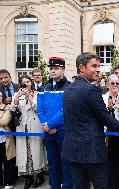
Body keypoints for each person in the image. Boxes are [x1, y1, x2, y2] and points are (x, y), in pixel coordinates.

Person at [62, 52, 119, 189]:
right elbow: (105, 117)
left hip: (72, 150)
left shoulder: (68, 89)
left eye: (99, 66)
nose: (98, 69)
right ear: (81, 68)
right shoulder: (91, 90)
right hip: (92, 150)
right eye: (94, 66)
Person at [37, 57, 73, 189]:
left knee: (65, 164)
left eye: (56, 68)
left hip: (63, 131)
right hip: (48, 132)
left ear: (63, 69)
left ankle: (67, 186)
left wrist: (50, 125)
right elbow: (39, 109)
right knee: (52, 163)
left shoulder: (69, 87)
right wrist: (46, 125)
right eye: (51, 68)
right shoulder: (43, 87)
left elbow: (65, 110)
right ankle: (54, 186)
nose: (53, 71)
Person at [11, 75, 46, 189]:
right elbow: (13, 109)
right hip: (22, 127)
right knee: (23, 152)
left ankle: (40, 176)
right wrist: (16, 98)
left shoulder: (37, 94)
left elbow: (38, 109)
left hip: (34, 126)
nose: (26, 84)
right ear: (20, 83)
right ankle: (28, 178)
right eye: (23, 82)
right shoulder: (16, 94)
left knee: (36, 151)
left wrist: (28, 97)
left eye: (28, 81)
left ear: (31, 83)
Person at [0, 92, 16, 189]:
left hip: (5, 140)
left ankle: (8, 182)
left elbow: (4, 122)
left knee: (7, 161)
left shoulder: (7, 108)